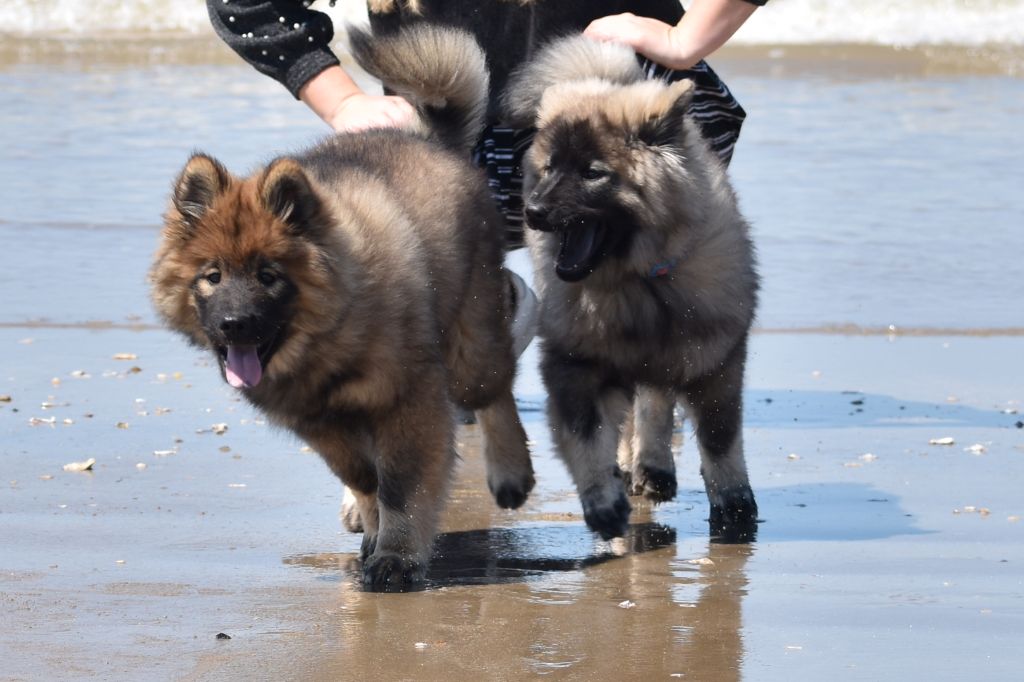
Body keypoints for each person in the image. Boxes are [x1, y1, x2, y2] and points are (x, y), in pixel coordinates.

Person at [205, 0, 766, 351]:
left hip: (606, 113)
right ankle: (482, 319)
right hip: (451, 128)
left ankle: (633, 360)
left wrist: (687, 38)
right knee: (421, 295)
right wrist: (342, 101)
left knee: (671, 163)